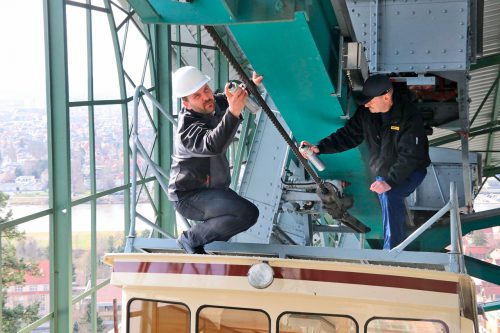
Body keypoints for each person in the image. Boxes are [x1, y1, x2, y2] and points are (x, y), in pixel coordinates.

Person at [301, 74, 430, 249]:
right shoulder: (366, 114)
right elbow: (348, 136)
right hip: (384, 171)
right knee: (385, 190)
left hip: (411, 170)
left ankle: (393, 251)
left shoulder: (409, 116)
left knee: (391, 194)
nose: (366, 104)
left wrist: (390, 182)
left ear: (386, 96)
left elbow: (410, 157)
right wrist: (320, 147)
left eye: (370, 100)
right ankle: (393, 245)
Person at [168, 66, 263, 254]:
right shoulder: (187, 131)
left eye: (206, 89)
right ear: (186, 104)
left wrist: (249, 86)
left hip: (212, 190)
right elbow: (212, 144)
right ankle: (191, 239)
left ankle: (205, 242)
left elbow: (230, 99)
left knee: (246, 215)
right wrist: (234, 112)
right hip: (188, 196)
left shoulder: (214, 103)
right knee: (246, 212)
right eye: (196, 96)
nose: (205, 97)